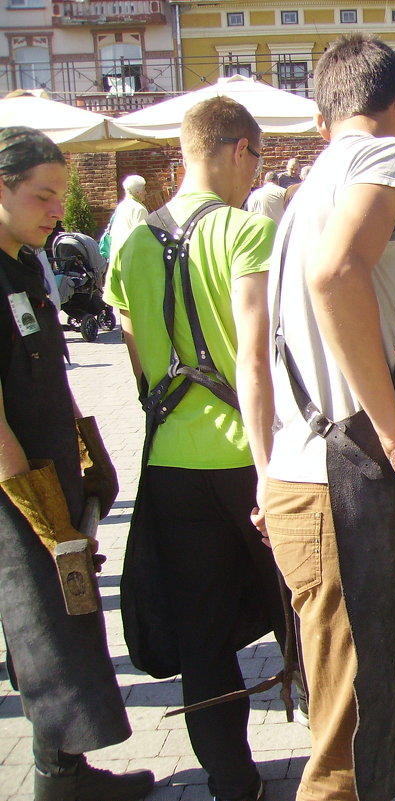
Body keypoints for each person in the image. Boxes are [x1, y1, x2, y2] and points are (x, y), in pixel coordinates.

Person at [265, 33, 395, 801]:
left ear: (322, 119)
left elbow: (255, 350)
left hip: (295, 476)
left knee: (347, 715)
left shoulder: (298, 196)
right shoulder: (387, 156)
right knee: (346, 747)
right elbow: (337, 270)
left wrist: (264, 469)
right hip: (338, 484)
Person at [104, 97, 287, 801]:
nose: (256, 173)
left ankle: (233, 783)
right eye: (257, 158)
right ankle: (341, 762)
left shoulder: (131, 243)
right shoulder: (245, 233)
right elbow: (256, 363)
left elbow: (139, 357)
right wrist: (271, 472)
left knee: (203, 638)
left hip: (170, 465)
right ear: (239, 148)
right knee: (299, 616)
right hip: (247, 460)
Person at [0, 126, 155, 801]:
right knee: (44, 633)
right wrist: (41, 512)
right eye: (42, 195)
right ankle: (57, 787)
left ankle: (65, 776)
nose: (57, 209)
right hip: (18, 498)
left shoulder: (22, 264)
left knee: (62, 627)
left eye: (61, 194)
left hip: (53, 481)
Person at [105, 174, 149, 261]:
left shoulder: (122, 206)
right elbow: (140, 236)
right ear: (137, 192)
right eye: (144, 190)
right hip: (131, 257)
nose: (146, 193)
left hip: (116, 255)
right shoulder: (139, 209)